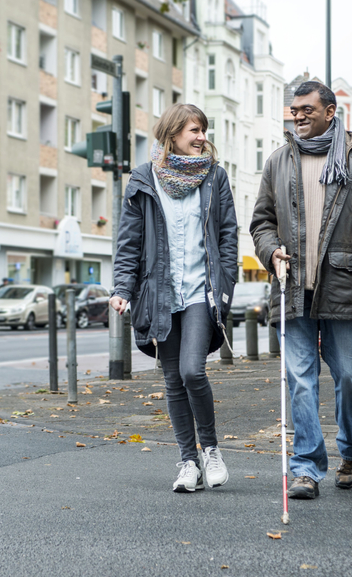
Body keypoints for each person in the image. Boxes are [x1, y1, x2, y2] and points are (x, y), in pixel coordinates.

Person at [250, 80, 352, 499]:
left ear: (330, 112)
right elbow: (261, 222)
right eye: (294, 110)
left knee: (347, 374)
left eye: (307, 109)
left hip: (344, 285)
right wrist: (271, 251)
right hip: (293, 286)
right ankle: (306, 468)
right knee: (300, 379)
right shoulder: (279, 161)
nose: (298, 116)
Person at [110, 103, 238, 493]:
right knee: (172, 380)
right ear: (172, 134)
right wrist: (122, 288)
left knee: (192, 371)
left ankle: (211, 450)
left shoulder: (214, 177)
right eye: (194, 130)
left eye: (203, 130)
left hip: (201, 290)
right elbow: (129, 241)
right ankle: (188, 462)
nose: (201, 137)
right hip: (160, 294)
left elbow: (228, 234)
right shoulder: (143, 178)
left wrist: (225, 283)